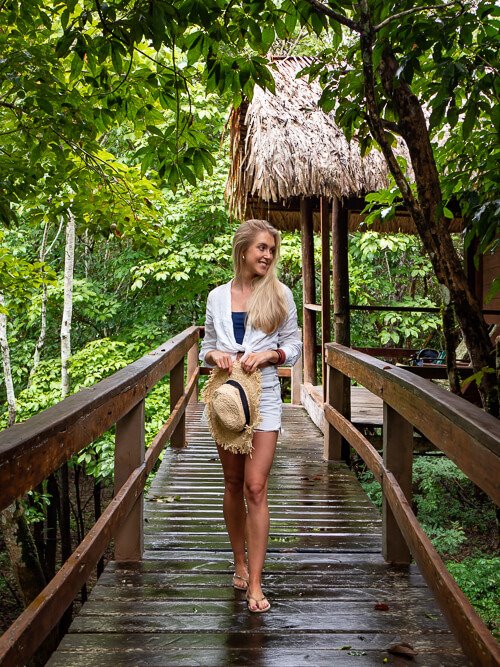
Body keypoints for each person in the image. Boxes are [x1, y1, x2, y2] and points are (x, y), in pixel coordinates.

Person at [199, 219, 302, 613]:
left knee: (255, 486)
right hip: (228, 399)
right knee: (233, 481)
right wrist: (216, 355)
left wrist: (272, 355)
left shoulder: (280, 294)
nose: (268, 255)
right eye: (262, 248)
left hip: (267, 397)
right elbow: (207, 344)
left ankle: (256, 581)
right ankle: (238, 562)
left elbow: (293, 345)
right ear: (243, 250)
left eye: (272, 250)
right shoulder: (216, 297)